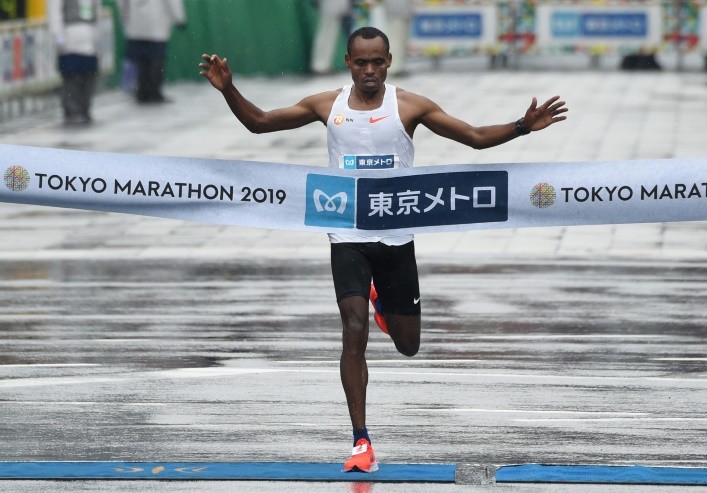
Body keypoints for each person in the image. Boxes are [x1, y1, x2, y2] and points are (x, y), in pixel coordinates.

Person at [199, 26, 567, 473]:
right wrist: (229, 88)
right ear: (348, 63)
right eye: (361, 62)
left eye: (377, 62)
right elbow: (259, 123)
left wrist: (522, 127)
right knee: (353, 329)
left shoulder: (408, 106)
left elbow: (473, 136)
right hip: (346, 234)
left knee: (408, 345)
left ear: (389, 62)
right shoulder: (326, 105)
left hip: (396, 239)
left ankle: (383, 305)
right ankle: (361, 440)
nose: (369, 70)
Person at [118, 0, 186, 103]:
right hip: (157, 24)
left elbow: (122, 3)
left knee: (141, 61)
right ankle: (154, 92)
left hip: (135, 24)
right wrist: (179, 18)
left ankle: (142, 92)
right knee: (156, 60)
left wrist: (125, 17)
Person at [47, 0, 101, 125]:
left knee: (88, 78)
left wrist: (96, 35)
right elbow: (55, 15)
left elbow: (96, 12)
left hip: (89, 40)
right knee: (72, 80)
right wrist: (60, 40)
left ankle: (84, 109)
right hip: (69, 41)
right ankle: (73, 111)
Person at [311, 0, 352, 75]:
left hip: (334, 5)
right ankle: (320, 66)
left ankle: (322, 65)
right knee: (327, 32)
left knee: (329, 32)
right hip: (331, 4)